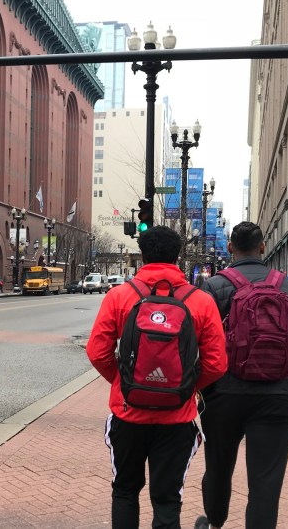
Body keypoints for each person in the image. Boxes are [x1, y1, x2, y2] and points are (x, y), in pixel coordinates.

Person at [86, 226, 227, 529]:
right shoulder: (200, 301)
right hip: (177, 418)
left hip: (128, 414)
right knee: (166, 499)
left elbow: (98, 352)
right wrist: (187, 388)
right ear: (178, 256)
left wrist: (124, 383)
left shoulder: (120, 296)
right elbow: (216, 363)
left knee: (125, 490)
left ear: (143, 255)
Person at [193, 221, 288, 529]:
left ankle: (215, 520)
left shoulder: (214, 287)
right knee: (266, 481)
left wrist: (204, 391)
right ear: (263, 247)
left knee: (218, 466)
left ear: (230, 248)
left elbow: (201, 345)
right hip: (275, 396)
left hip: (223, 396)